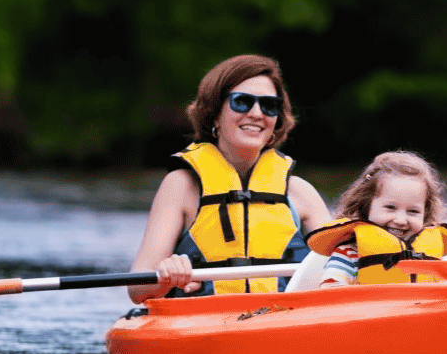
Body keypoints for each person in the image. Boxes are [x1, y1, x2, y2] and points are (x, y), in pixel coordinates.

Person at [127, 55, 331, 303]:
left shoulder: (301, 193)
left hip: (282, 321)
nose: (257, 113)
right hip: (202, 323)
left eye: (269, 106)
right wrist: (168, 273)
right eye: (242, 102)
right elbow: (137, 289)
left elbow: (342, 269)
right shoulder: (181, 186)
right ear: (214, 114)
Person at [307, 150, 447, 287]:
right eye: (390, 208)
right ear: (366, 206)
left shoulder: (428, 253)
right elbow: (330, 289)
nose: (400, 220)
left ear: (426, 213)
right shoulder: (349, 253)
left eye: (413, 212)